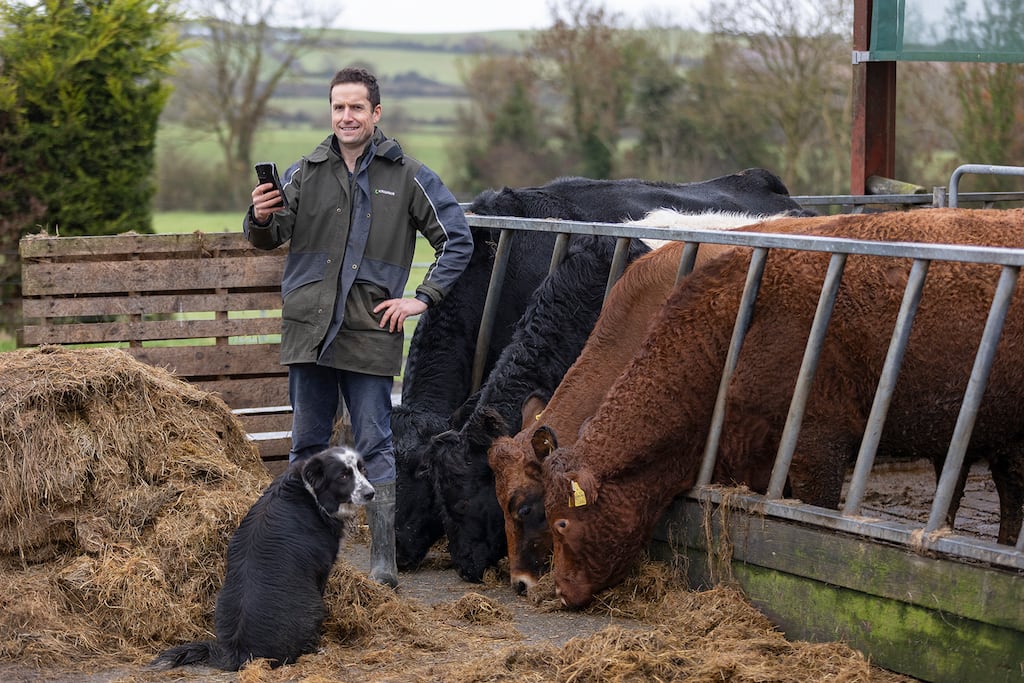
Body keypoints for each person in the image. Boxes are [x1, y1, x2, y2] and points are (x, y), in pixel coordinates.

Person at [244, 66, 473, 588]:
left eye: (356, 107)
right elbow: (271, 235)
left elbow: (457, 239)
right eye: (338, 107)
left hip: (369, 333)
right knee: (306, 447)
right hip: (310, 331)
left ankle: (383, 563)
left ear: (376, 113)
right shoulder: (307, 171)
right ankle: (300, 554)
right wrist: (259, 217)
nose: (346, 116)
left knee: (375, 446)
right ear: (331, 112)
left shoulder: (409, 175)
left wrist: (422, 298)